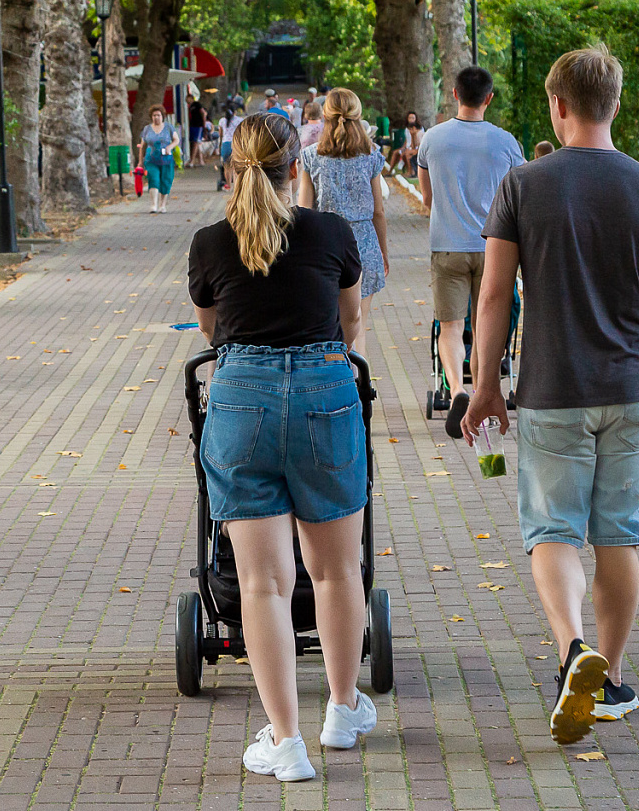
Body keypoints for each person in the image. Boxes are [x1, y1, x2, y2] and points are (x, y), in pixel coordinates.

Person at [464, 45, 639, 745]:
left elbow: (491, 296)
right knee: (619, 536)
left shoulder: (522, 184)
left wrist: (485, 387)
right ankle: (612, 677)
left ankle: (575, 649)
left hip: (552, 390)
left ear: (558, 105)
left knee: (552, 531)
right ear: (616, 104)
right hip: (633, 390)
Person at [189, 112, 374, 781]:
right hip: (325, 388)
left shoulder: (211, 242)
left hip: (243, 401)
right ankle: (343, 708)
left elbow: (215, 331)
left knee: (263, 583)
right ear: (299, 164)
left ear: (234, 168)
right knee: (336, 569)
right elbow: (351, 319)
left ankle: (287, 741)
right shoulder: (331, 232)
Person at [419, 67, 525, 434]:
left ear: (453, 94)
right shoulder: (506, 143)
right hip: (494, 247)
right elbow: (519, 198)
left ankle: (457, 390)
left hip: (446, 245)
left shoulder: (432, 139)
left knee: (450, 326)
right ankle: (483, 392)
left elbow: (427, 197)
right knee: (485, 327)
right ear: (489, 98)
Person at [299, 89, 389, 343]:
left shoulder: (311, 157)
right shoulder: (371, 155)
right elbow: (378, 212)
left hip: (323, 246)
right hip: (364, 245)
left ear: (325, 116)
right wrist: (383, 250)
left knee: (329, 325)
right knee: (358, 323)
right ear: (358, 116)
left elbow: (304, 210)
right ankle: (359, 379)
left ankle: (334, 376)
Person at [139, 107, 179, 213]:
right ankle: (154, 205)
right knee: (154, 179)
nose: (156, 117)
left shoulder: (169, 127)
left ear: (162, 116)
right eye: (154, 115)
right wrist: (140, 161)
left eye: (158, 115)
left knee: (166, 181)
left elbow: (176, 140)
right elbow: (142, 146)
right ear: (151, 117)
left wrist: (169, 147)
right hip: (151, 159)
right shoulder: (147, 129)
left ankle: (163, 204)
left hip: (166, 159)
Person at [394, 111, 423, 176]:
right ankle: (391, 171)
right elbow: (412, 144)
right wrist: (412, 135)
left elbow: (420, 145)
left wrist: (412, 149)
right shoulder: (409, 130)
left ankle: (411, 172)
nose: (411, 120)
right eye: (410, 118)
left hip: (419, 149)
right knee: (398, 153)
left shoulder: (420, 132)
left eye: (413, 118)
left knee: (407, 153)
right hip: (411, 148)